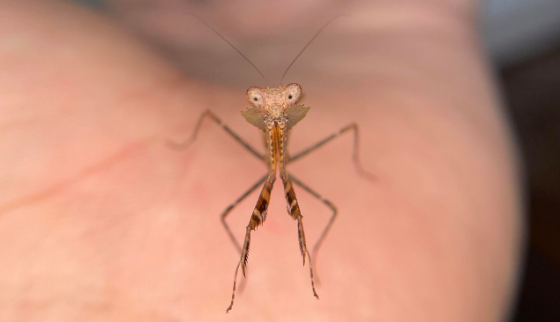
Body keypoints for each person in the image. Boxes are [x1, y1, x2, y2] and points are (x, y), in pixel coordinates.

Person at [0, 0, 523, 320]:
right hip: (271, 164)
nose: (274, 106)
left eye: (285, 101)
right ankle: (239, 279)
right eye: (263, 102)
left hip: (283, 166)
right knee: (240, 215)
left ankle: (307, 267)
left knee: (312, 203)